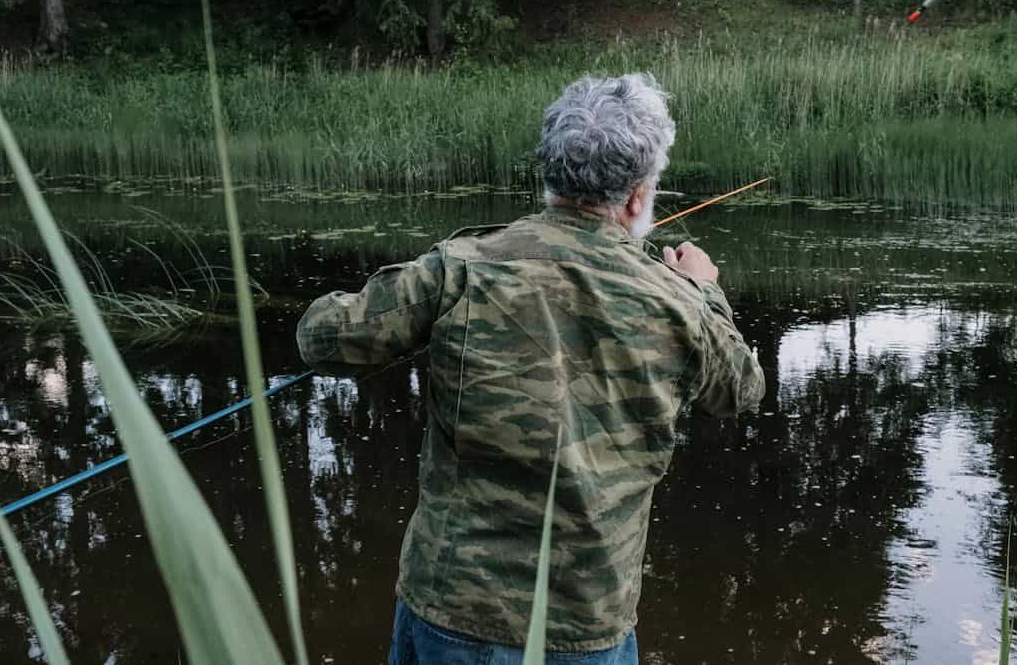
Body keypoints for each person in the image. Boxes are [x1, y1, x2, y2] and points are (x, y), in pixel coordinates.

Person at [297, 73, 765, 664]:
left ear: (548, 177)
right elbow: (742, 389)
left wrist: (425, 296)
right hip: (584, 629)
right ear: (639, 196)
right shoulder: (679, 303)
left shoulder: (459, 270)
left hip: (450, 615)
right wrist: (705, 291)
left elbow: (320, 337)